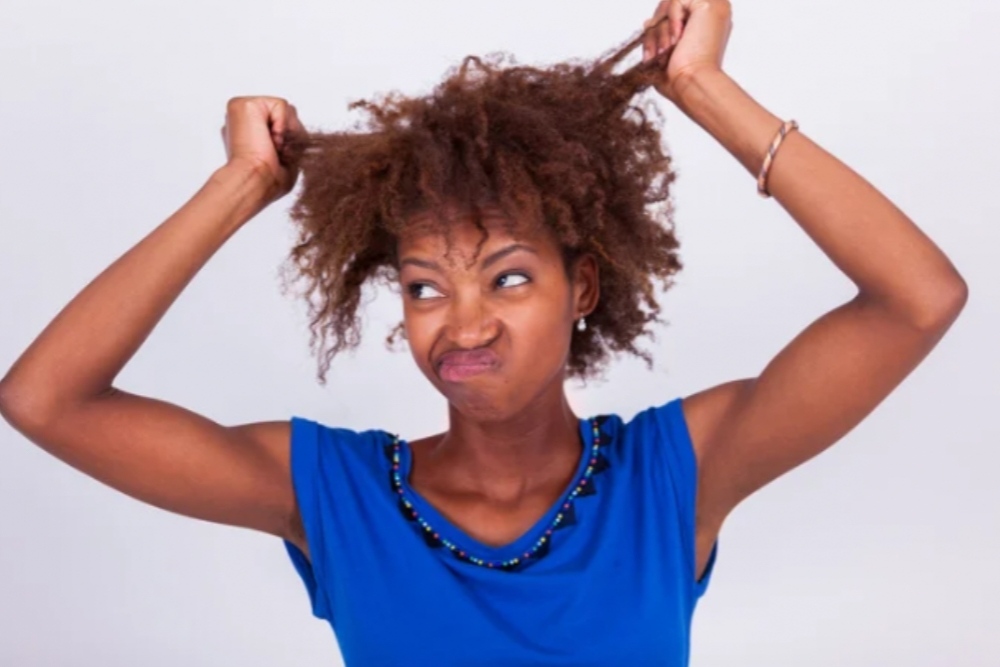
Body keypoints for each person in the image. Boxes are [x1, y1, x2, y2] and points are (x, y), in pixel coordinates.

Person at [0, 1, 968, 665]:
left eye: (507, 276)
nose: (463, 322)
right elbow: (45, 400)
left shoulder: (675, 474)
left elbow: (916, 298)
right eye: (425, 287)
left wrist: (703, 86)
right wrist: (240, 185)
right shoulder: (332, 492)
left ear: (581, 285)